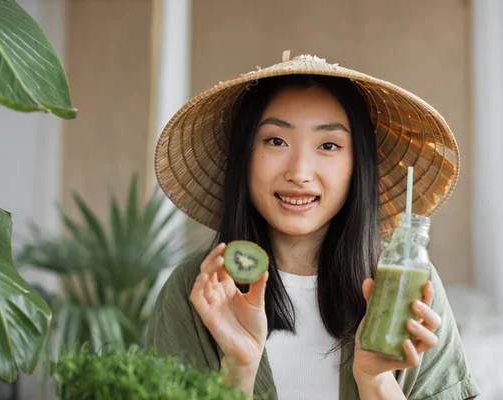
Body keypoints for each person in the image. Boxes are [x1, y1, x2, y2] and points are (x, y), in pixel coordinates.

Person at [145, 53, 481, 400]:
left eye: (329, 145)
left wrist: (376, 381)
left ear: (357, 165)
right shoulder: (194, 291)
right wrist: (238, 369)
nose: (300, 172)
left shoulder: (409, 289)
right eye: (276, 141)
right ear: (244, 155)